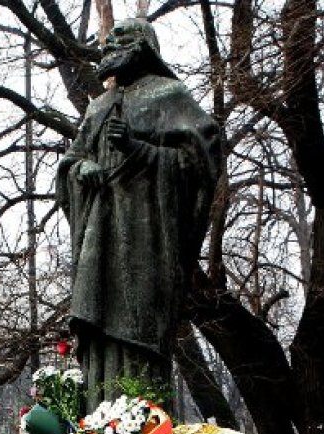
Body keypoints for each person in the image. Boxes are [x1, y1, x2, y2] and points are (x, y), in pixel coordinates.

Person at [56, 18, 221, 403]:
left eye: (120, 40)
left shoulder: (170, 96)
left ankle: (141, 427)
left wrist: (140, 151)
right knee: (99, 331)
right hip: (100, 239)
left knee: (141, 330)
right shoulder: (98, 108)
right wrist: (83, 170)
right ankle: (100, 425)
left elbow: (201, 164)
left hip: (147, 240)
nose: (109, 47)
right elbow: (70, 163)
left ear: (144, 46)